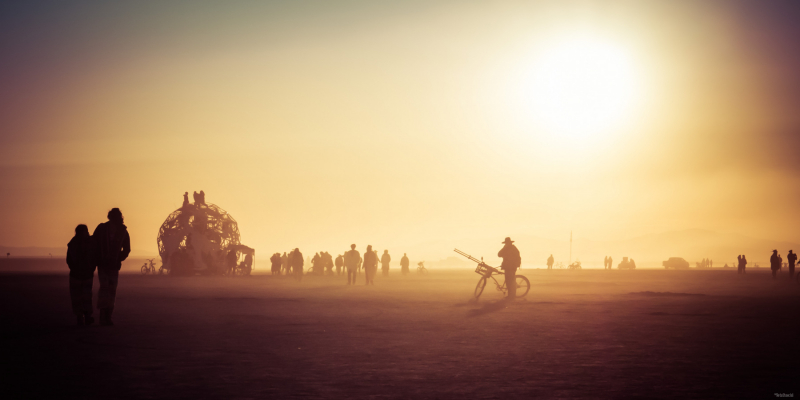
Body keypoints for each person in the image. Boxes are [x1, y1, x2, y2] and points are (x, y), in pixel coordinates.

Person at [92, 208, 131, 326]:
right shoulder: (102, 228)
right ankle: (104, 316)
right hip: (104, 265)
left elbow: (127, 249)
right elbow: (94, 243)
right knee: (106, 289)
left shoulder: (122, 231)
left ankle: (107, 316)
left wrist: (118, 258)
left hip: (112, 265)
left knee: (110, 290)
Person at [67, 224, 95, 326]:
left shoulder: (72, 243)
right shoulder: (90, 243)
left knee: (77, 297)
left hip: (76, 275)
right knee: (86, 297)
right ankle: (86, 317)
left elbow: (69, 260)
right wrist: (91, 269)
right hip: (86, 275)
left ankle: (80, 317)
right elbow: (94, 258)